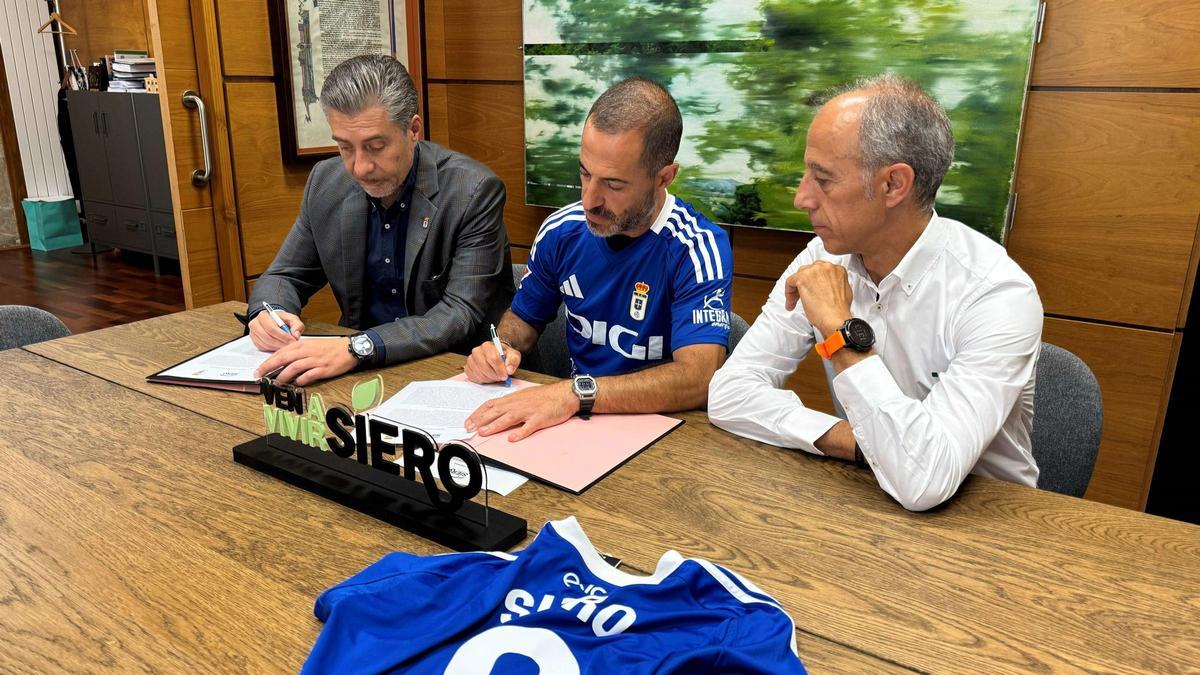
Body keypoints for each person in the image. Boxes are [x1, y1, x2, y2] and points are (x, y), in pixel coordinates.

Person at [708, 74, 1043, 512]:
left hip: (992, 519)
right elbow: (729, 394)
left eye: (823, 179)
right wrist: (855, 442)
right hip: (870, 496)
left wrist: (838, 331)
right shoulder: (820, 258)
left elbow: (924, 481)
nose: (801, 198)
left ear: (893, 185)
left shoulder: (997, 293)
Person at [462, 77, 733, 441]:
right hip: (575, 425)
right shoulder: (561, 231)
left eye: (613, 184)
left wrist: (576, 393)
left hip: (666, 433)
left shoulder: (697, 248)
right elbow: (522, 322)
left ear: (664, 177)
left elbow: (698, 380)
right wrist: (501, 348)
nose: (589, 200)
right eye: (585, 173)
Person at [249, 54, 513, 385]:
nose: (359, 168)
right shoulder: (325, 182)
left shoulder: (472, 192)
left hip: (453, 374)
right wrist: (268, 312)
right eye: (345, 147)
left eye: (375, 147)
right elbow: (286, 274)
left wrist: (357, 347)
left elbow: (457, 315)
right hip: (360, 375)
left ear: (413, 129)